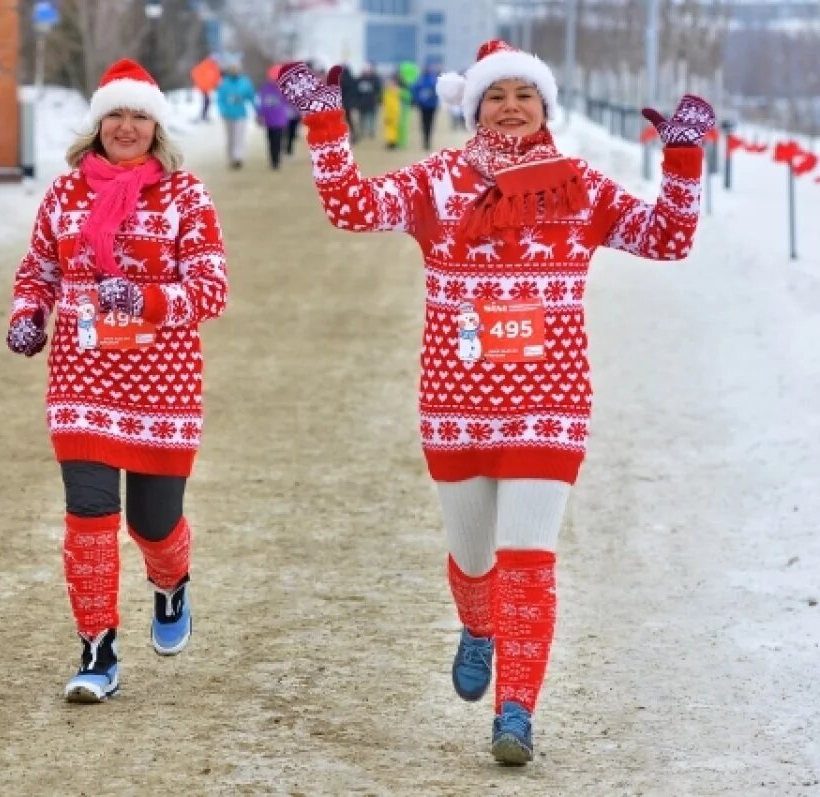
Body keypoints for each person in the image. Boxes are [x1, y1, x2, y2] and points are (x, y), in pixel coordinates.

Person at [276, 40, 712, 764]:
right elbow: (353, 208)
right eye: (497, 95)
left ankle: (516, 711)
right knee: (474, 558)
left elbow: (668, 237)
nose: (511, 106)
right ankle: (478, 626)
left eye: (526, 95)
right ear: (474, 106)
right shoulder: (439, 182)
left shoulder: (580, 186)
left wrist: (684, 160)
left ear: (545, 108)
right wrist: (326, 127)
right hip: (456, 402)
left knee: (528, 560)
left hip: (551, 400)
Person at [6, 58, 229, 703]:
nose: (126, 127)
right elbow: (38, 269)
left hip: (163, 385)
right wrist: (28, 314)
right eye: (115, 115)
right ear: (97, 124)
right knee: (89, 514)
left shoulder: (186, 197)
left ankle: (170, 582)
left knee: (153, 525)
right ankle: (98, 649)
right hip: (82, 377)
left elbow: (211, 291)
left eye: (139, 116)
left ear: (155, 128)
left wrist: (143, 299)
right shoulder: (65, 193)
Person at [215, 58, 257, 169]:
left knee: (239, 137)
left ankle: (238, 158)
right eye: (232, 69)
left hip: (241, 114)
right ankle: (231, 158)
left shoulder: (245, 82)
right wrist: (223, 110)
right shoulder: (223, 83)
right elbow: (220, 99)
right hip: (228, 115)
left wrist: (256, 108)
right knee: (231, 138)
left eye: (236, 68)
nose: (234, 71)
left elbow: (251, 96)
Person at [257, 65, 291, 170]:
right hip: (269, 119)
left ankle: (276, 160)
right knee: (271, 140)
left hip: (279, 119)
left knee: (278, 140)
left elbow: (289, 101)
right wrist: (260, 114)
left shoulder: (283, 88)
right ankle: (273, 159)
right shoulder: (265, 89)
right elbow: (261, 103)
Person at [412, 61, 441, 150]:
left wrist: (433, 96)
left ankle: (428, 141)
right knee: (423, 124)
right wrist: (417, 99)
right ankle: (425, 141)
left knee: (430, 124)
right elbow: (414, 89)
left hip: (431, 105)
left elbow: (438, 91)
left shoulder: (434, 79)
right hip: (423, 106)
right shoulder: (420, 79)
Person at [353, 64, 383, 143]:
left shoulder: (375, 79)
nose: (367, 72)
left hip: (372, 102)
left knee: (372, 117)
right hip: (362, 103)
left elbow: (378, 90)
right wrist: (356, 101)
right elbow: (355, 91)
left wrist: (378, 100)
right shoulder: (359, 79)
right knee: (362, 118)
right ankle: (362, 131)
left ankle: (371, 131)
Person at [190, 54, 221, 123]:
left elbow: (216, 77)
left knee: (207, 101)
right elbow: (195, 72)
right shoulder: (205, 65)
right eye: (214, 60)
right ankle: (203, 115)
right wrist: (200, 82)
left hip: (207, 88)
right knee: (206, 101)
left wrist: (216, 84)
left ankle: (204, 115)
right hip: (202, 88)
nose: (215, 62)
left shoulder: (214, 67)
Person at [381, 74, 403, 150]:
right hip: (389, 112)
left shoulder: (394, 91)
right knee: (390, 128)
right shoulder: (387, 92)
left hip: (393, 112)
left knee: (393, 128)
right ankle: (391, 142)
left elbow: (391, 104)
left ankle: (393, 142)